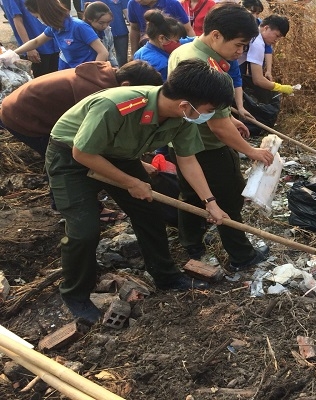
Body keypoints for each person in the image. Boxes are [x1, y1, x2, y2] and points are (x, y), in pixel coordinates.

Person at [46, 58, 232, 323]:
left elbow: (187, 160)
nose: (209, 115)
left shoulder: (182, 117)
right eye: (209, 109)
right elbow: (83, 152)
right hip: (72, 159)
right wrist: (131, 182)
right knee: (84, 231)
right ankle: (75, 293)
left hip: (121, 156)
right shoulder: (117, 105)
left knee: (149, 212)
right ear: (185, 104)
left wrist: (210, 202)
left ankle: (166, 275)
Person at [168, 2, 274, 271]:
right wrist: (251, 151)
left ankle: (191, 243)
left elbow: (210, 109)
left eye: (245, 47)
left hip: (182, 143)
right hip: (208, 147)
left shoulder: (184, 50)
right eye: (238, 45)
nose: (239, 52)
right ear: (216, 35)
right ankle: (241, 255)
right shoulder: (209, 67)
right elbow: (217, 127)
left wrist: (229, 115)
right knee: (229, 199)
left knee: (190, 195)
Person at [0, 60, 163, 220]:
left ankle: (68, 202)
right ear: (127, 86)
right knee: (65, 157)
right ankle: (69, 207)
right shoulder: (100, 95)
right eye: (143, 94)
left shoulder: (107, 78)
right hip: (23, 117)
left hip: (34, 110)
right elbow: (88, 144)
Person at [0, 0, 109, 70]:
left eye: (38, 17)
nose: (39, 21)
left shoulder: (78, 26)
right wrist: (12, 53)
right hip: (69, 71)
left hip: (85, 73)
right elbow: (36, 42)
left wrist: (92, 73)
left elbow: (103, 52)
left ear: (45, 14)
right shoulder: (55, 28)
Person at [2, 0, 59, 77]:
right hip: (37, 47)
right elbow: (17, 20)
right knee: (40, 81)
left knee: (55, 78)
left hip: (53, 40)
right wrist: (29, 49)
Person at [238, 14, 290, 92]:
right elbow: (258, 80)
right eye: (277, 36)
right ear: (266, 28)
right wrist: (280, 88)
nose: (276, 40)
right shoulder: (258, 43)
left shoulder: (252, 29)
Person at [128, 0, 195, 56]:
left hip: (173, 49)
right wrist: (133, 53)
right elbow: (134, 29)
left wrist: (194, 50)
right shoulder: (133, 4)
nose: (138, 0)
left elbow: (188, 29)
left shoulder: (172, 3)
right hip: (149, 48)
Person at [133, 9, 186, 81]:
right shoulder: (163, 65)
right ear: (161, 38)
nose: (179, 44)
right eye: (177, 40)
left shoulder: (139, 52)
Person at [83, 0, 129, 68]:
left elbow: (110, 53)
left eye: (108, 22)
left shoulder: (107, 30)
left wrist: (115, 67)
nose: (105, 26)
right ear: (90, 19)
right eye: (101, 23)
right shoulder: (83, 31)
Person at [241, 0, 272, 80]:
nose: (255, 16)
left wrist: (268, 70)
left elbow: (267, 48)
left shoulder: (260, 25)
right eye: (252, 12)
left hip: (254, 56)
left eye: (257, 13)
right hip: (239, 58)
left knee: (255, 78)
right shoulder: (236, 23)